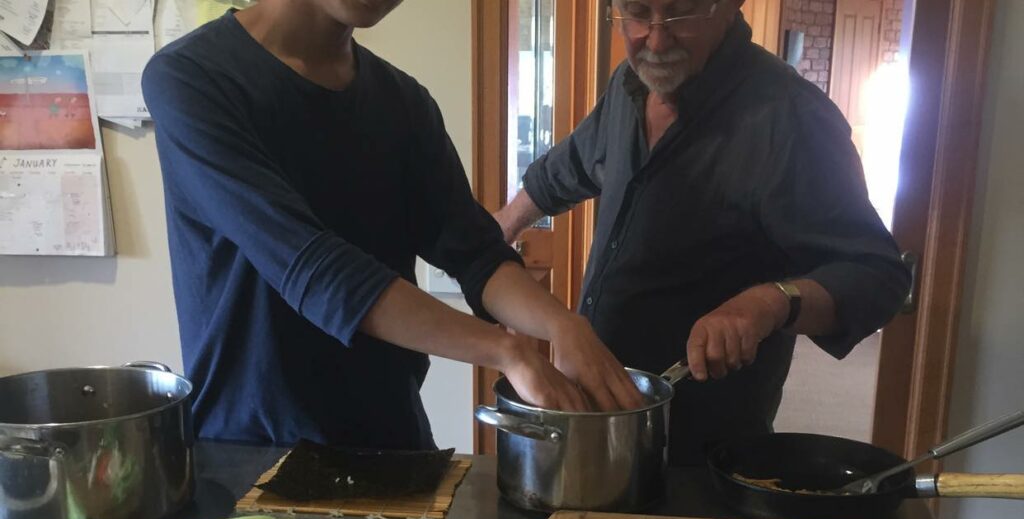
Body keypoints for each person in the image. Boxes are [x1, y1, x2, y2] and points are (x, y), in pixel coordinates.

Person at [142, 0, 642, 451]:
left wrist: (563, 325)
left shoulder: (403, 101)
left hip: (392, 443)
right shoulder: (192, 79)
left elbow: (477, 253)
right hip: (251, 451)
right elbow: (314, 268)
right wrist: (507, 350)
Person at [495, 0, 911, 465]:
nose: (655, 38)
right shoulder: (629, 85)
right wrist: (499, 233)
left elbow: (877, 276)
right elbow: (569, 166)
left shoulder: (789, 116)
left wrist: (770, 302)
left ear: (729, 7)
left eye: (680, 12)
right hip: (601, 423)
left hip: (704, 446)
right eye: (636, 11)